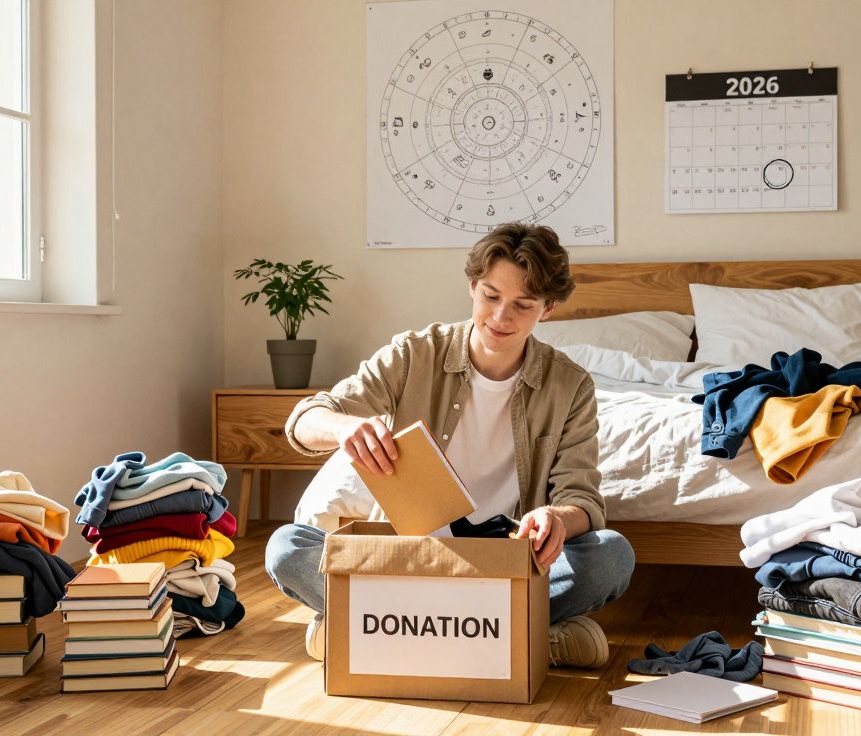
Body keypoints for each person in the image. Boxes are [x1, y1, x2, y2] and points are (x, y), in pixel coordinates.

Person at [265, 222, 635, 668]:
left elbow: (582, 498)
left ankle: (369, 628)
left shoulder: (570, 385)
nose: (501, 318)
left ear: (548, 309)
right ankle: (522, 636)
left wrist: (556, 517)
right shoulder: (413, 353)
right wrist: (344, 428)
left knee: (611, 555)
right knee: (286, 546)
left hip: (506, 563)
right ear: (473, 285)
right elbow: (305, 419)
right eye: (491, 296)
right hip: (409, 556)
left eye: (523, 305)